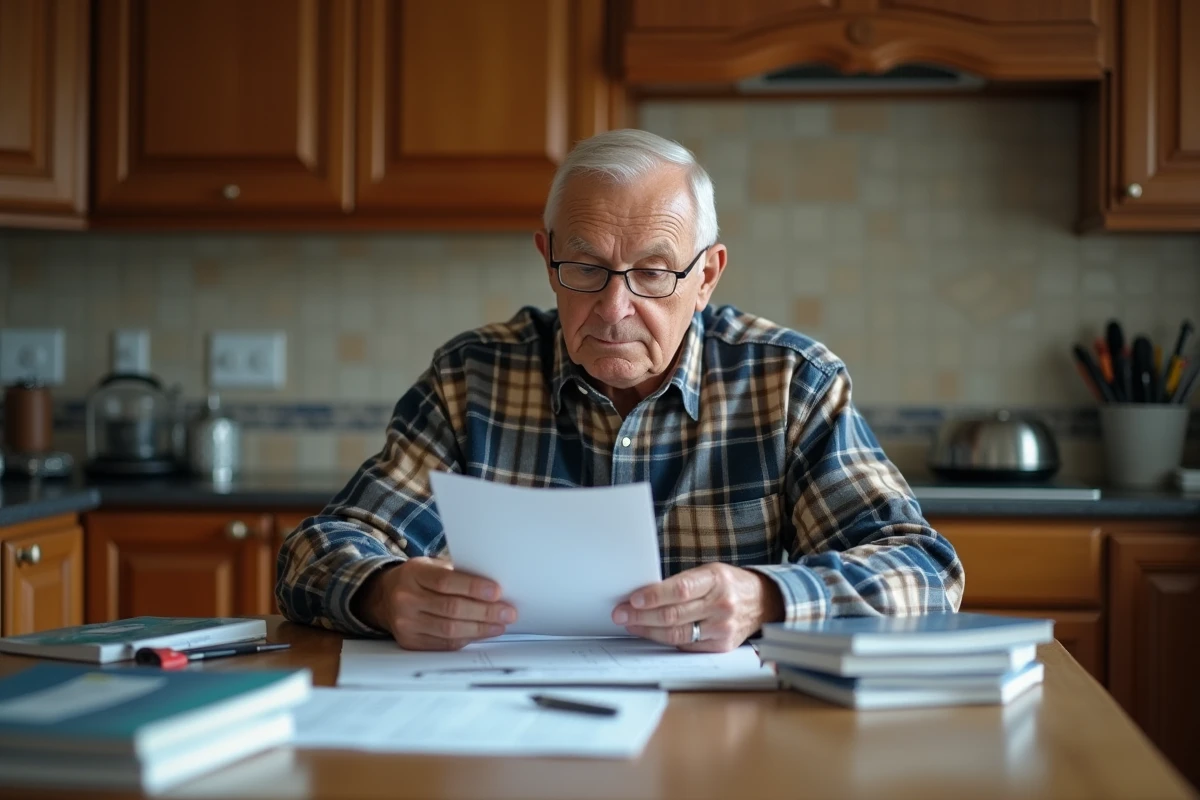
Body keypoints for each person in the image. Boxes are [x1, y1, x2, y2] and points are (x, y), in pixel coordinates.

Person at [276, 129, 964, 653]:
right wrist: (383, 592)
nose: (613, 307)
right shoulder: (472, 379)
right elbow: (314, 553)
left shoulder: (788, 383)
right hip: (508, 735)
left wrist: (768, 597)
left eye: (654, 273)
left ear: (708, 277)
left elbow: (927, 572)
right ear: (547, 259)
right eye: (586, 266)